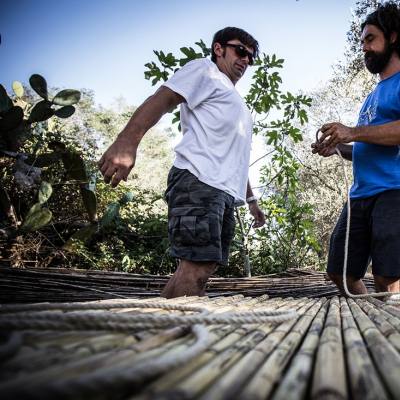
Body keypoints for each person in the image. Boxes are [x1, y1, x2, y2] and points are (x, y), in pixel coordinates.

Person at [97, 27, 265, 299]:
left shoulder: (238, 103)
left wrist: (251, 200)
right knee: (198, 268)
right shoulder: (205, 70)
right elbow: (163, 99)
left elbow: (236, 158)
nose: (245, 59)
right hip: (198, 181)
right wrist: (127, 142)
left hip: (222, 191)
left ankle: (158, 322)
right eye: (240, 50)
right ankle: (184, 325)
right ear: (218, 48)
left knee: (193, 267)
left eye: (251, 57)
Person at [312, 2, 400, 298]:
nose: (364, 47)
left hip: (393, 191)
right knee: (340, 272)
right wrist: (339, 148)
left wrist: (351, 131)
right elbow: (369, 145)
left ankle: (391, 323)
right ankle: (372, 316)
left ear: (393, 37)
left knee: (387, 275)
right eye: (362, 41)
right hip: (360, 196)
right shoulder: (373, 95)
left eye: (370, 39)